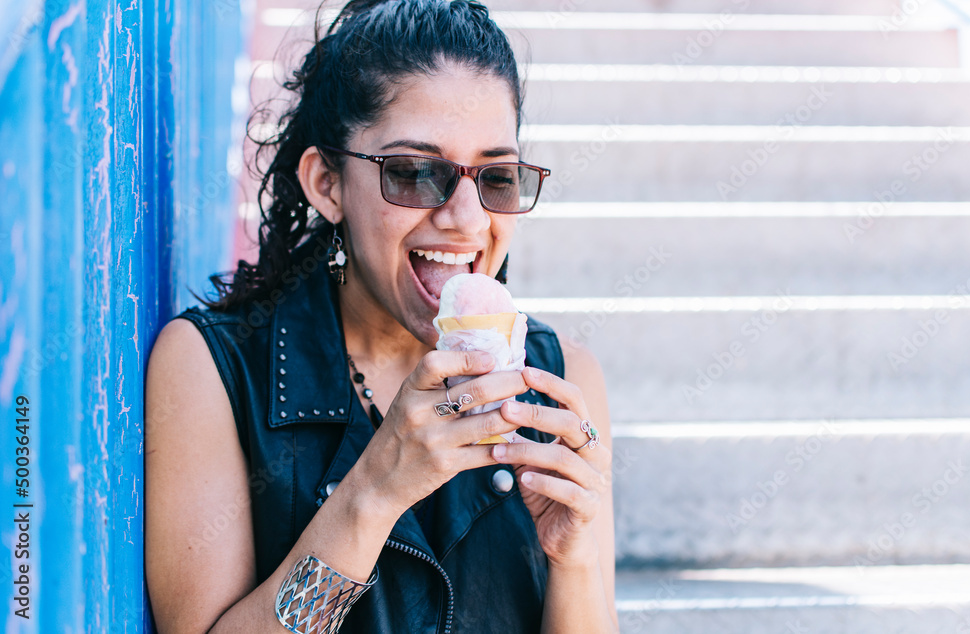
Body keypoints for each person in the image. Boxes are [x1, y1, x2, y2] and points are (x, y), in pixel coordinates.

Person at [144, 1, 616, 632]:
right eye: (417, 173)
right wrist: (374, 493)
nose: (469, 220)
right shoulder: (212, 369)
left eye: (497, 177)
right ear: (327, 184)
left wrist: (575, 560)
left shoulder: (563, 383)